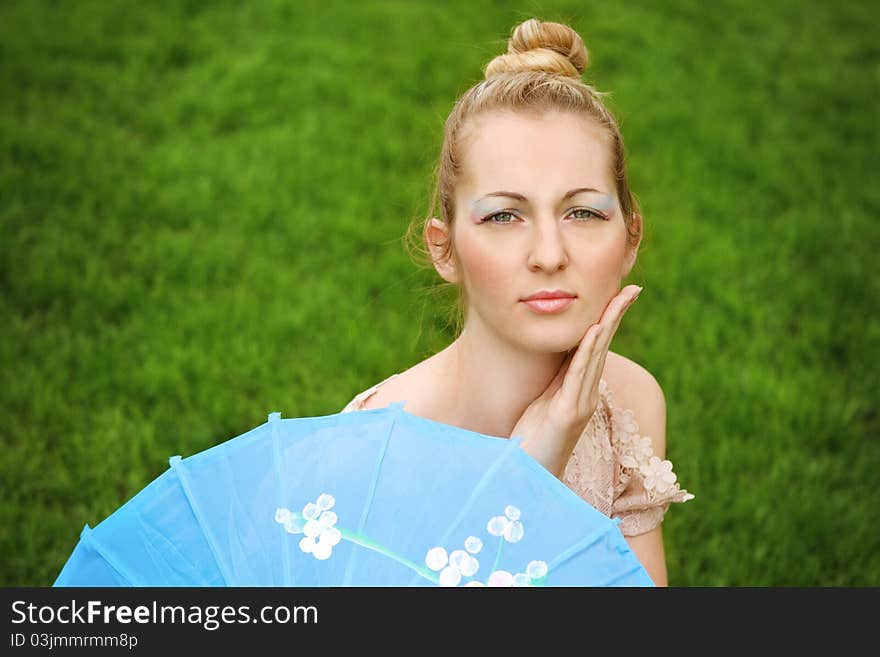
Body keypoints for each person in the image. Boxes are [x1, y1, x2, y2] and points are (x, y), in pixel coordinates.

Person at [341, 18, 693, 586]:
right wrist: (531, 473)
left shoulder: (629, 401)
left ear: (630, 238)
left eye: (583, 212)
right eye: (504, 215)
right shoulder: (380, 447)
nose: (549, 254)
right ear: (445, 248)